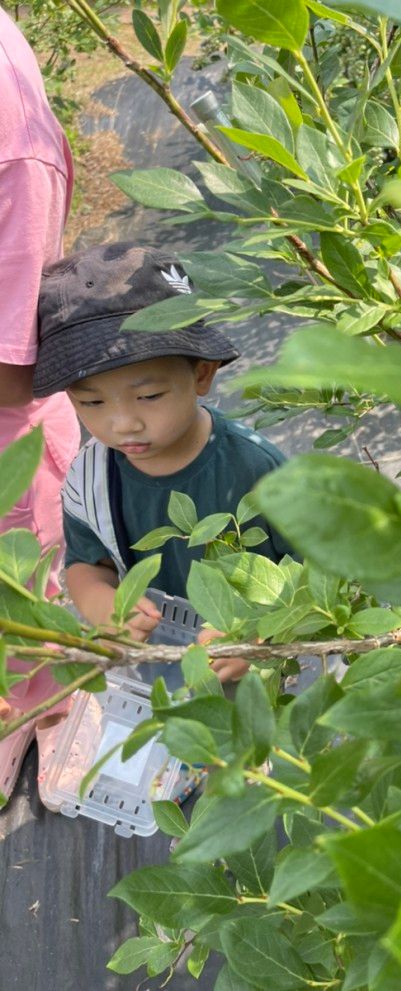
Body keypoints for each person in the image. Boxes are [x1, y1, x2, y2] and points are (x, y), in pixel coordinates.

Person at [32, 241, 293, 686]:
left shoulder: (258, 469)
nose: (123, 423)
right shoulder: (91, 476)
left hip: (263, 675)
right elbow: (85, 563)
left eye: (149, 396)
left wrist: (260, 633)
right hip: (160, 670)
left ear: (202, 373)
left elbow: (309, 572)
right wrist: (104, 608)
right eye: (91, 402)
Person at [0, 8, 82, 800]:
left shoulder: (14, 144)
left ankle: (47, 711)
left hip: (12, 452)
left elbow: (11, 369)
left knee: (34, 607)